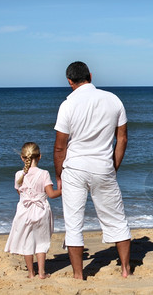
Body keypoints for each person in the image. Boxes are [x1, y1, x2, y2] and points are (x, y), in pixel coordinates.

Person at [54, 61, 131, 279]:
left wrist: (59, 175)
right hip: (103, 167)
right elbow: (122, 138)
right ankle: (126, 269)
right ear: (90, 75)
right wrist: (113, 167)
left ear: (69, 81)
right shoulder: (113, 100)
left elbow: (60, 146)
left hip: (75, 168)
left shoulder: (67, 105)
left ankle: (79, 274)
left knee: (74, 223)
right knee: (116, 218)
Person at [5, 142, 61, 279]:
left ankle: (31, 273)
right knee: (41, 241)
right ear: (40, 156)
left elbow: (21, 194)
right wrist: (63, 190)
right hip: (41, 210)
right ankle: (42, 273)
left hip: (24, 211)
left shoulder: (19, 174)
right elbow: (52, 194)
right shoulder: (44, 173)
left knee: (26, 241)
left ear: (22, 158)